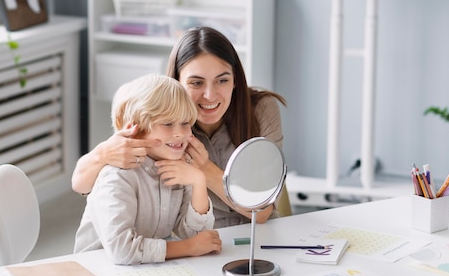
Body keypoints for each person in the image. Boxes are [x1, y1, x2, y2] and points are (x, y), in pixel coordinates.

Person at [72, 26, 289, 228]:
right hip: (195, 238)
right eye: (196, 83)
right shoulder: (161, 120)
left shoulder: (260, 110)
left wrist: (204, 169)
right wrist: (102, 154)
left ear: (235, 80)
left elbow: (261, 212)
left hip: (258, 233)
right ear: (176, 82)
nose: (210, 95)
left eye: (222, 80)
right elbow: (81, 185)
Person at [74, 74, 222, 265]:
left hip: (144, 270)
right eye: (167, 123)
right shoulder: (118, 175)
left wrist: (198, 182)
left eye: (186, 123)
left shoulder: (180, 167)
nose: (179, 133)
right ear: (135, 129)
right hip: (98, 274)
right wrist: (188, 248)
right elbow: (122, 250)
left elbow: (194, 234)